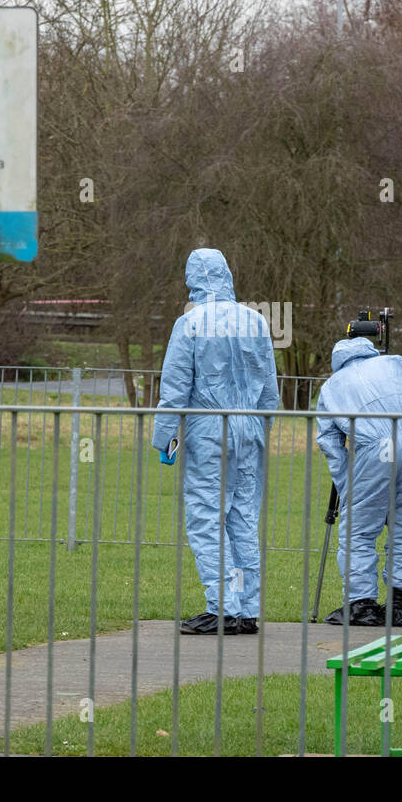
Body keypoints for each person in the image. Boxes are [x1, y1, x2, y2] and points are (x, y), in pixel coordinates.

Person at [152, 248, 279, 636]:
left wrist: (164, 436)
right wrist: (261, 429)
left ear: (192, 280)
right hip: (249, 427)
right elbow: (270, 390)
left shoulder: (190, 323)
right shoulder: (255, 321)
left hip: (209, 428)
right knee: (243, 517)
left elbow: (175, 388)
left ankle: (222, 606)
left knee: (208, 517)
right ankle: (245, 608)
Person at [315, 336, 402, 626]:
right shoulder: (397, 363)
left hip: (376, 447)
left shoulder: (333, 386)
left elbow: (330, 443)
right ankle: (398, 604)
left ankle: (361, 604)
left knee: (358, 529)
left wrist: (347, 488)